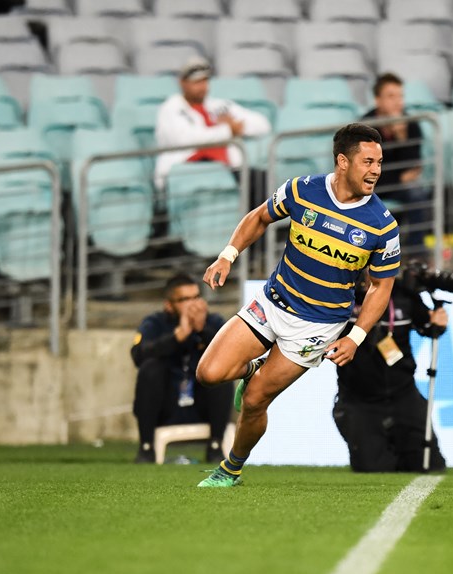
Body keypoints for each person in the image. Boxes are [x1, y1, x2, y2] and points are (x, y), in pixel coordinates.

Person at [195, 123, 401, 488]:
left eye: (380, 162)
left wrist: (355, 337)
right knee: (208, 375)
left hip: (317, 327)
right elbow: (259, 217)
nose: (376, 170)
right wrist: (228, 255)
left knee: (256, 400)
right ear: (342, 161)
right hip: (273, 301)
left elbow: (381, 287)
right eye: (368, 161)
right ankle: (252, 367)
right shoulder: (302, 190)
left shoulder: (382, 225)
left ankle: (231, 469)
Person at [333, 272, 447, 472]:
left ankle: (402, 447)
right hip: (359, 399)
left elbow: (428, 327)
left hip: (404, 394)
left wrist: (437, 321)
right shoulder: (342, 296)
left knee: (428, 465)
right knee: (372, 468)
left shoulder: (404, 295)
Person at [130, 273, 233, 464]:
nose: (193, 304)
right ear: (169, 304)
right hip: (167, 405)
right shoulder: (155, 323)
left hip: (202, 405)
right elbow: (138, 355)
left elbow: (232, 353)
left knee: (220, 372)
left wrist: (202, 330)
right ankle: (146, 448)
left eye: (196, 297)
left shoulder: (213, 322)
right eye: (185, 299)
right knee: (151, 368)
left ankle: (215, 447)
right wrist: (177, 336)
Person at [153, 55, 272, 190]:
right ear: (183, 83)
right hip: (187, 168)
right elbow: (185, 139)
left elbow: (263, 124)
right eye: (196, 82)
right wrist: (227, 131)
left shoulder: (218, 105)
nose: (202, 87)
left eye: (205, 81)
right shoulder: (171, 108)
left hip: (229, 168)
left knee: (261, 180)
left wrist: (238, 127)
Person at [361, 73, 429, 254]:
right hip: (372, 185)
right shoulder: (365, 127)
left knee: (419, 194)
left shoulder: (410, 124)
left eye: (400, 96)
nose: (398, 102)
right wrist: (399, 176)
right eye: (391, 96)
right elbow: (366, 171)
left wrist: (402, 138)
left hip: (395, 183)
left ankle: (417, 254)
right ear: (378, 100)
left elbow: (414, 165)